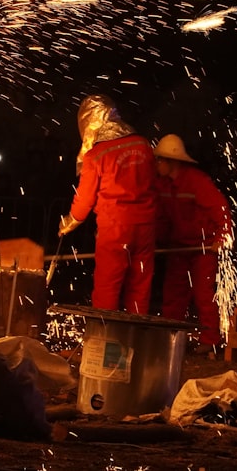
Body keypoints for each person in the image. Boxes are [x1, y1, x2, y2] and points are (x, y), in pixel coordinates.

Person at [58, 94, 158, 314]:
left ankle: (105, 341)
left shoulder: (96, 155)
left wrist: (70, 221)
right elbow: (155, 183)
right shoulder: (142, 144)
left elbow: (85, 199)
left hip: (115, 229)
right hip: (146, 226)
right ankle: (136, 339)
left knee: (107, 287)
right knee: (139, 287)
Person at [153, 134, 233, 354]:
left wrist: (223, 236)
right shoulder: (162, 185)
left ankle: (210, 340)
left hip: (202, 248)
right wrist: (154, 240)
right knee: (173, 295)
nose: (157, 164)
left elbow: (220, 208)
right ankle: (171, 338)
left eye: (160, 160)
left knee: (203, 295)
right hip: (179, 248)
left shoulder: (197, 181)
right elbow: (161, 217)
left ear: (172, 161)